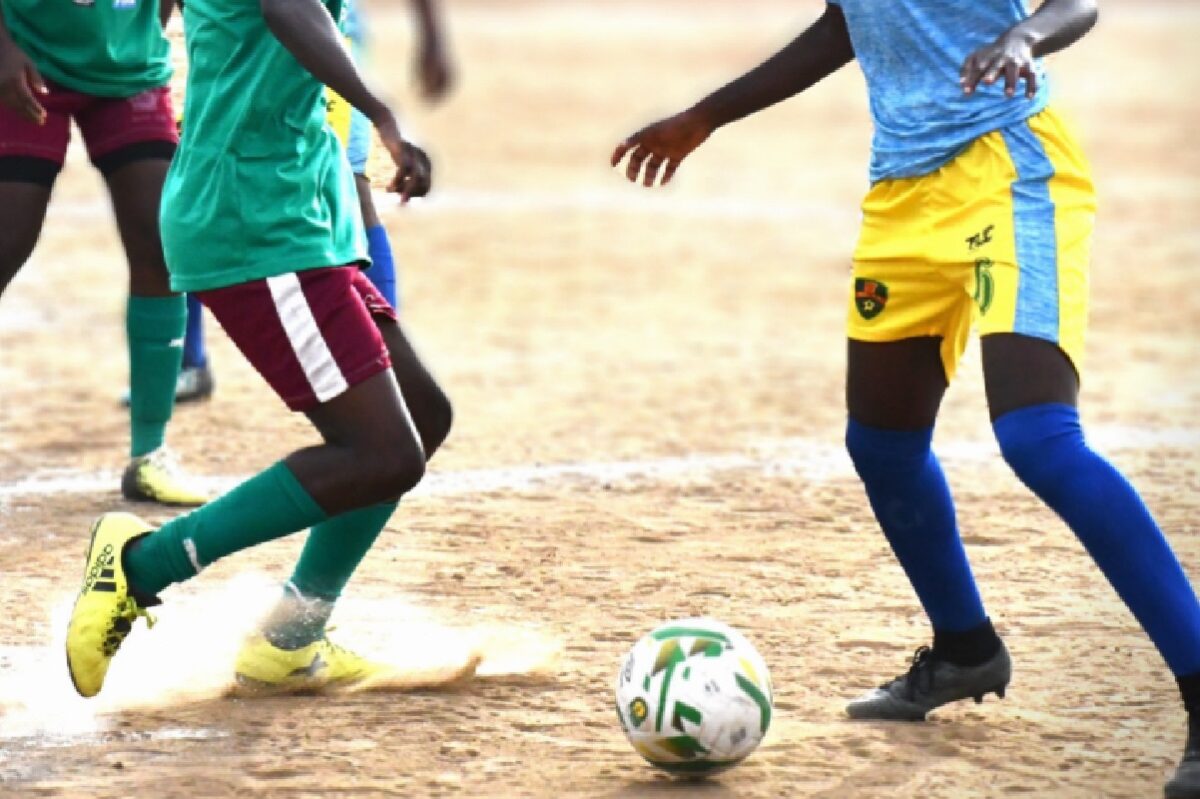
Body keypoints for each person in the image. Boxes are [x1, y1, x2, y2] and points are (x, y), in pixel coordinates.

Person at [611, 1, 1200, 794]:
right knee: (882, 444)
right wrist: (705, 117)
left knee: (1040, 441)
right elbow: (842, 24)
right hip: (902, 189)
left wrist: (1022, 36)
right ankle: (965, 646)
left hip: (1010, 172)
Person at [65, 0, 450, 697]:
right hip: (255, 219)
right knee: (384, 452)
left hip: (298, 208)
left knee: (423, 415)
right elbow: (284, 7)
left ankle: (289, 639)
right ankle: (140, 566)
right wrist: (385, 114)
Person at [162, 0, 455, 404]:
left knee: (352, 190)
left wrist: (432, 37)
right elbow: (285, 7)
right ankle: (187, 359)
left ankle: (381, 372)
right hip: (254, 60)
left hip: (317, 39)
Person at [0, 0, 207, 506]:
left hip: (128, 71)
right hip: (27, 59)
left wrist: (146, 41)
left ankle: (150, 453)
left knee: (161, 245)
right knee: (8, 241)